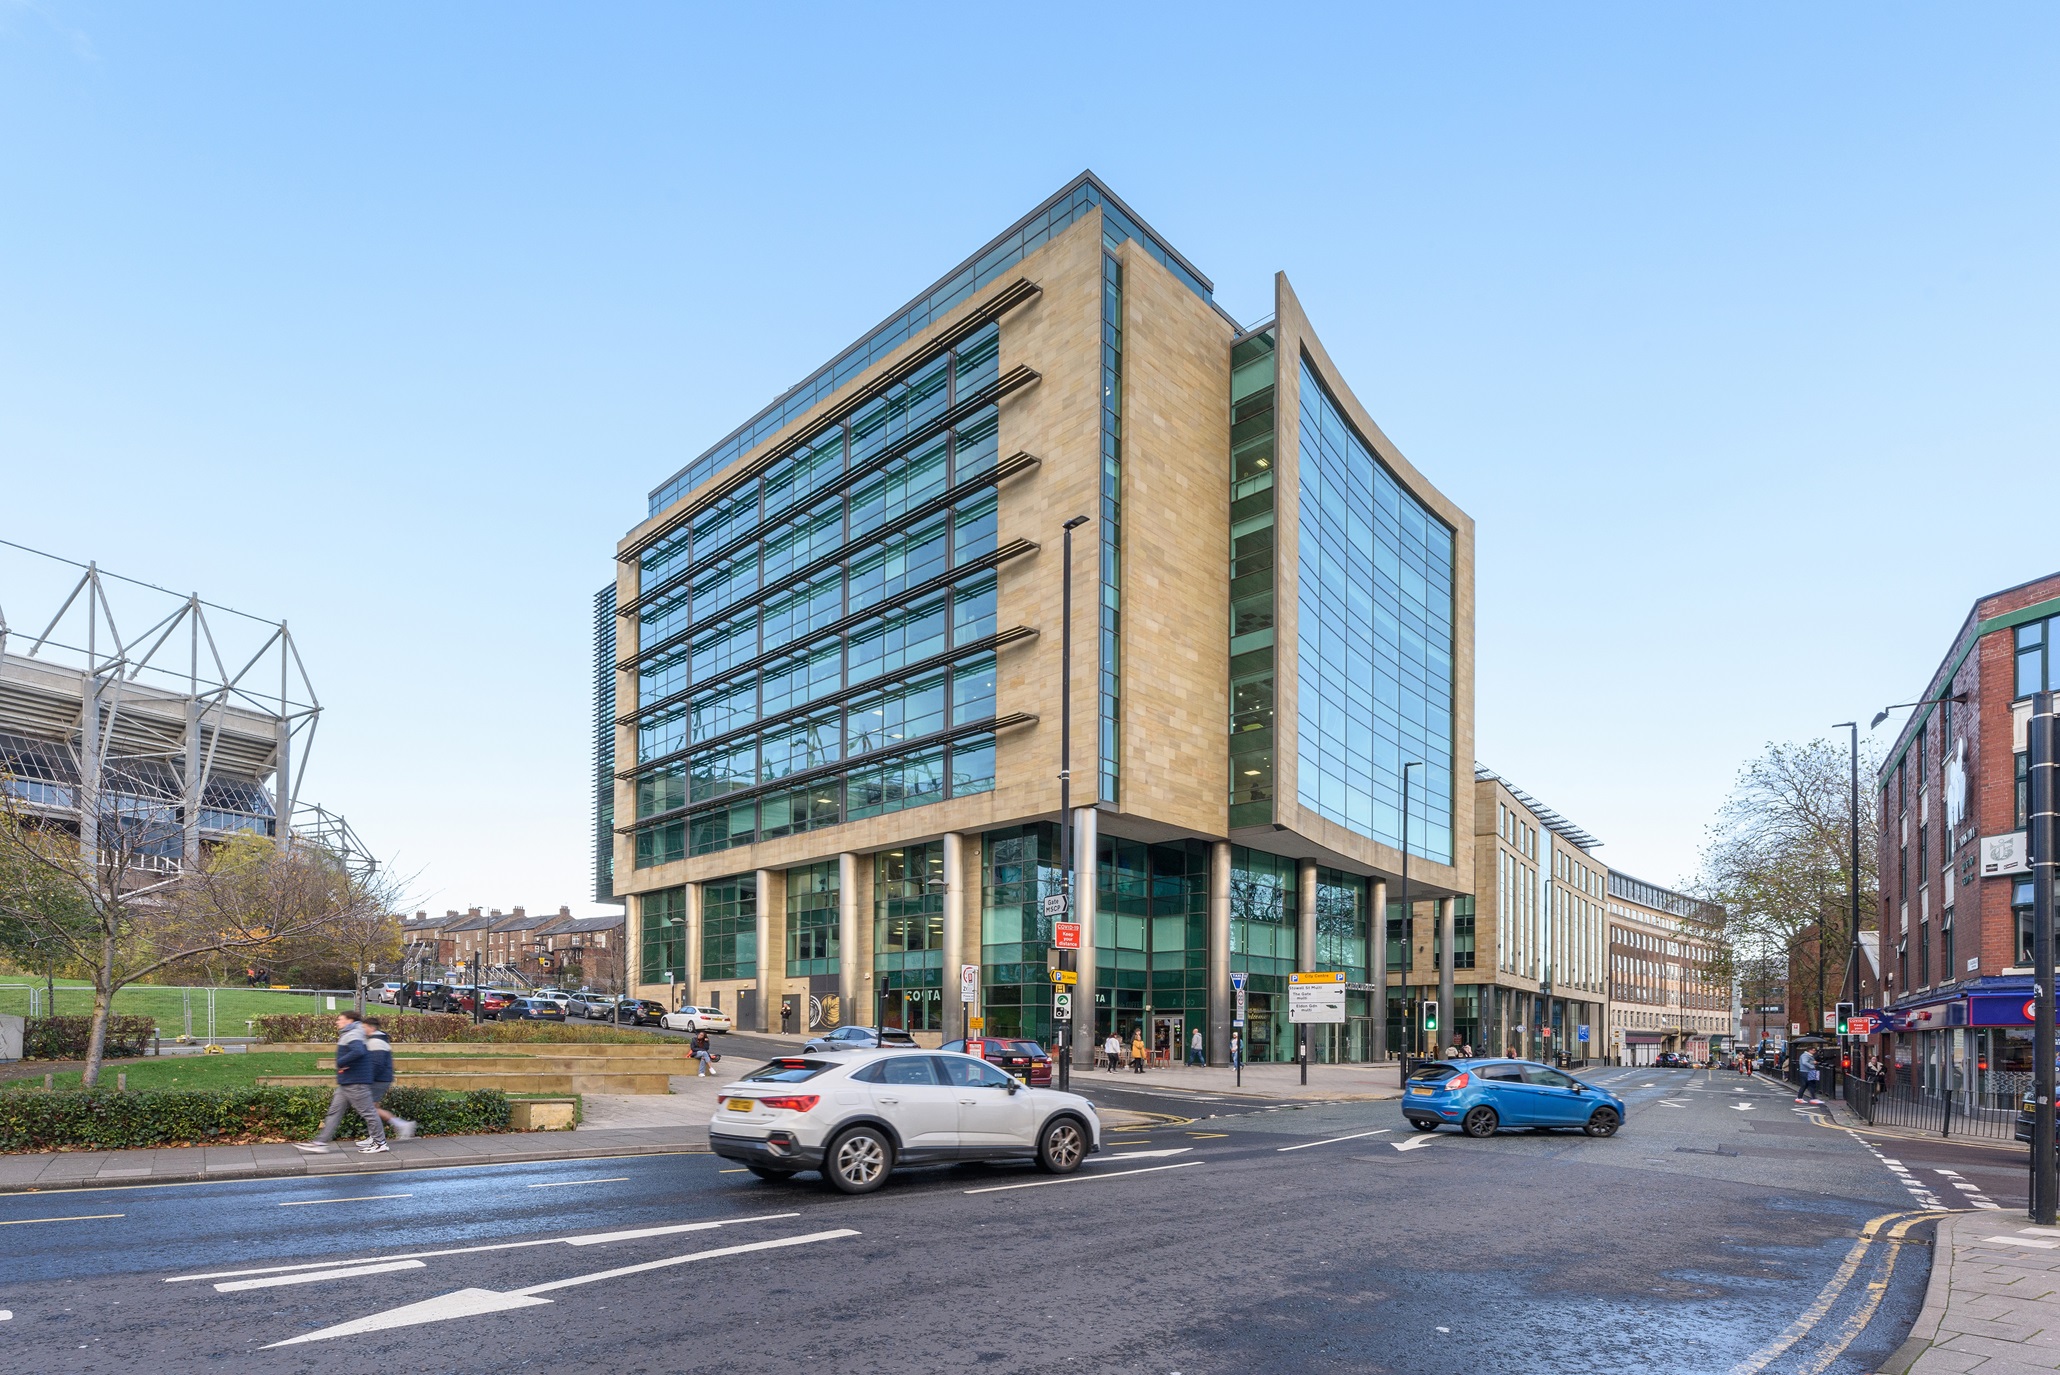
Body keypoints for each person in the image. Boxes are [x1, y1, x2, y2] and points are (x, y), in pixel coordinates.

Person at [296, 1010, 387, 1154]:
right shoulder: (353, 1032)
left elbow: (358, 1051)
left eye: (340, 1019)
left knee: (368, 1112)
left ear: (349, 1021)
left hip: (355, 1081)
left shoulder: (353, 1033)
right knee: (334, 1112)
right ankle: (320, 1143)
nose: (337, 1022)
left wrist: (340, 1062)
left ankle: (380, 1142)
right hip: (348, 1081)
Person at [361, 1016, 418, 1141]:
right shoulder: (376, 1039)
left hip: (379, 1079)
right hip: (381, 1078)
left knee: (370, 1109)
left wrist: (367, 1079)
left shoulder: (376, 1041)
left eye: (364, 1027)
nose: (362, 1030)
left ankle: (399, 1126)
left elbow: (377, 1064)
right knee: (372, 1108)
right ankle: (379, 1135)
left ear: (371, 1028)